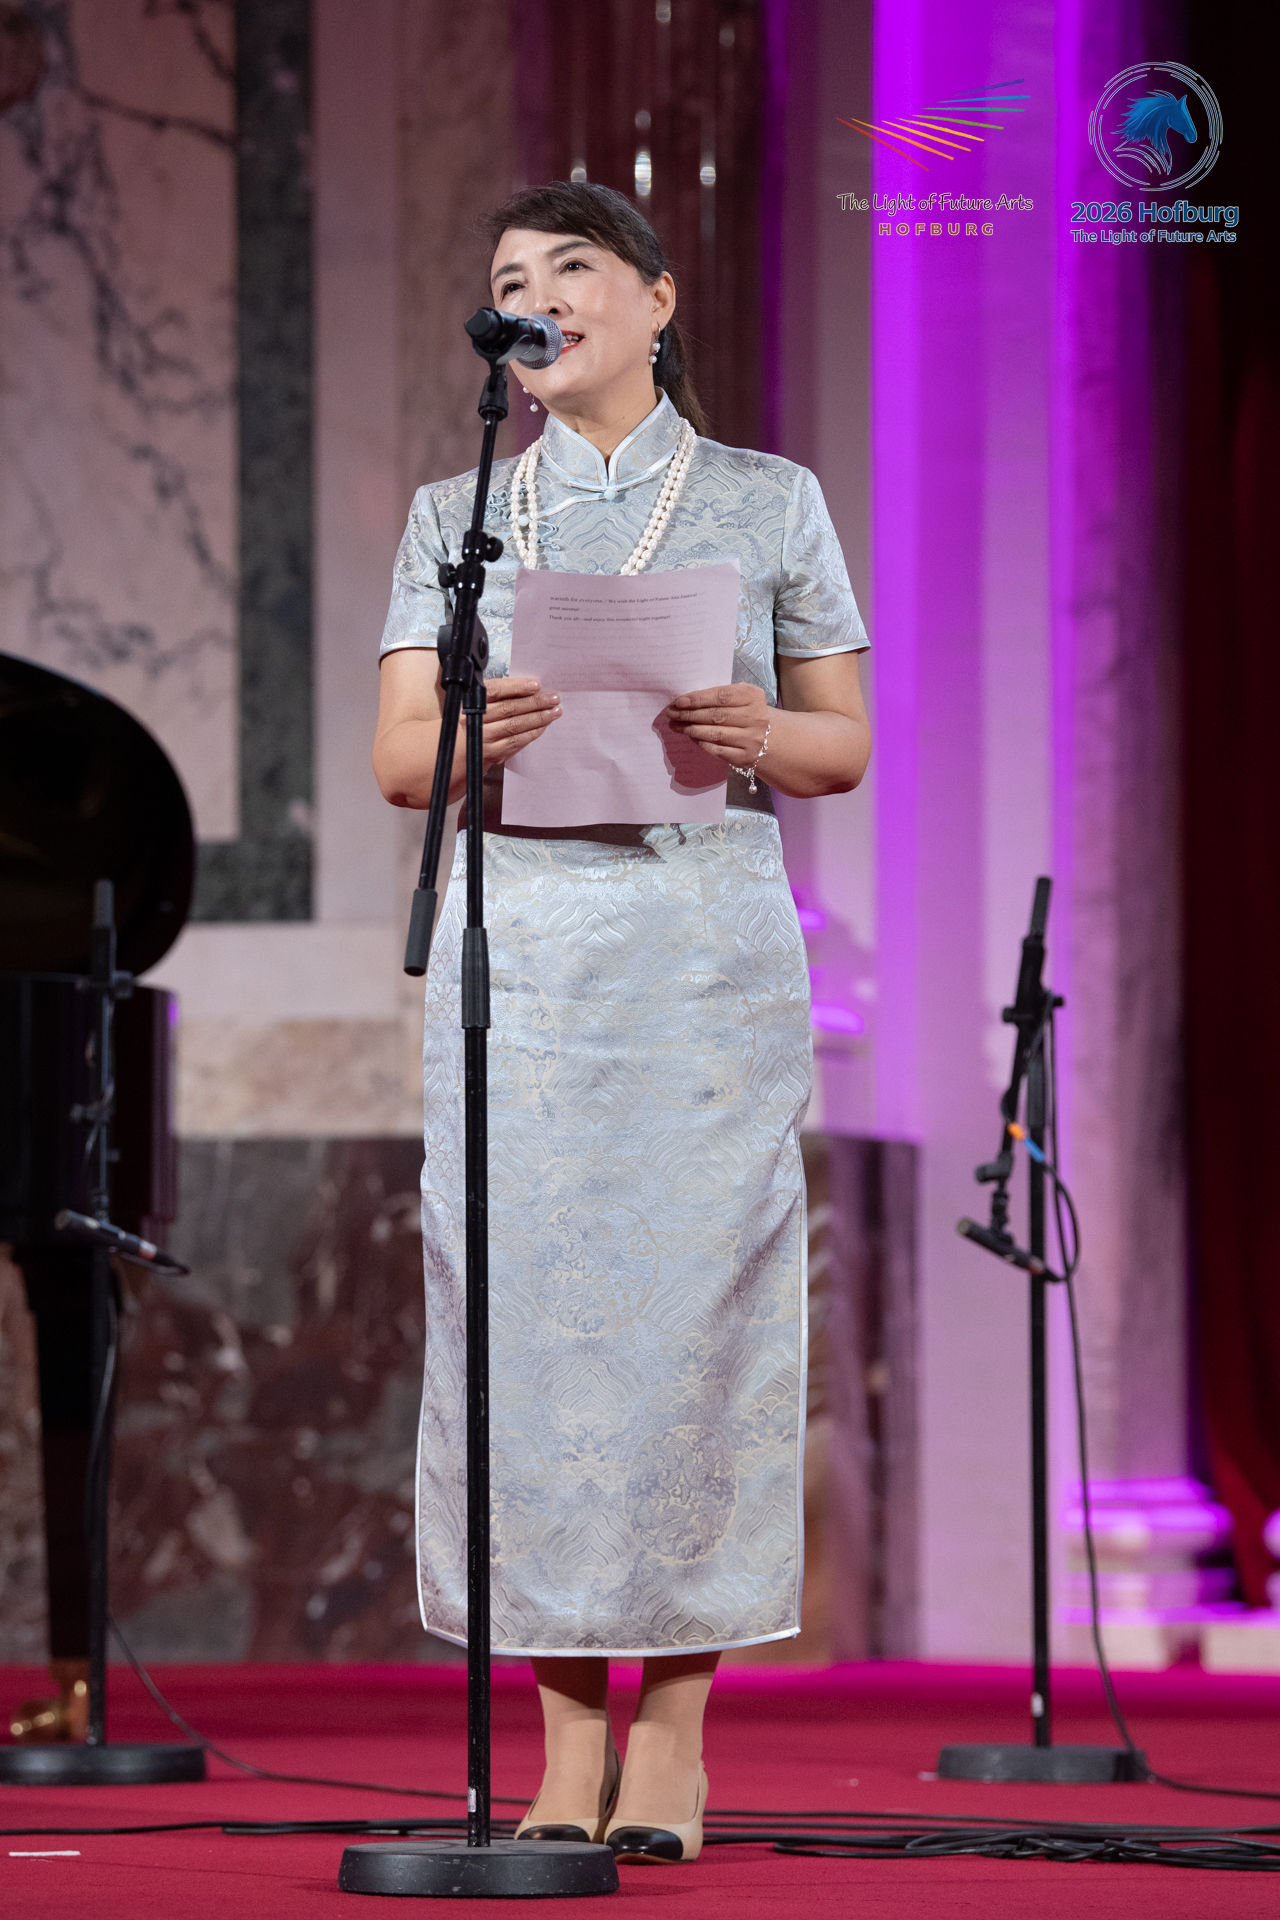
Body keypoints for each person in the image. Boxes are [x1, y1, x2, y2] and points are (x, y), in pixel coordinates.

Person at [374, 181, 870, 1864]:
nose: (536, 297)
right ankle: (564, 1740)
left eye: (569, 267)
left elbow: (843, 745)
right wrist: (479, 732)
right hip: (525, 969)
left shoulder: (766, 497)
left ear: (656, 299)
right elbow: (395, 762)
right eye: (512, 279)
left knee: (696, 1330)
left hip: (698, 966)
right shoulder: (461, 510)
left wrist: (751, 728)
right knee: (529, 1339)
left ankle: (674, 1738)